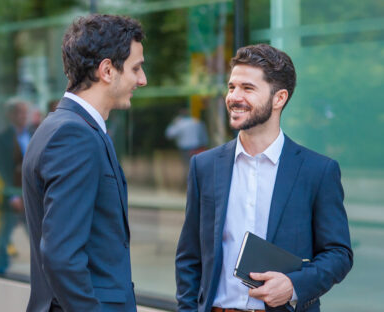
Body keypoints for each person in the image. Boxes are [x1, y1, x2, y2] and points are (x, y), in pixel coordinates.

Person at [175, 44, 353, 312]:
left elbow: (339, 255)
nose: (234, 96)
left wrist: (294, 286)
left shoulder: (318, 171)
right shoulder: (204, 165)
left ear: (279, 98)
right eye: (231, 86)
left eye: (248, 88)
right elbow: (190, 257)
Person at [22, 14, 146, 312]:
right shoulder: (73, 134)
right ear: (107, 70)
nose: (142, 80)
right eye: (136, 68)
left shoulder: (63, 127)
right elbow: (61, 256)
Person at [0, 98, 31, 274]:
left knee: (37, 236)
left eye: (25, 112)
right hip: (13, 196)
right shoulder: (2, 139)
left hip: (30, 195)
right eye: (19, 112)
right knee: (4, 235)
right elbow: (2, 170)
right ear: (11, 115)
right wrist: (13, 196)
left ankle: (46, 271)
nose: (23, 116)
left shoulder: (33, 134)